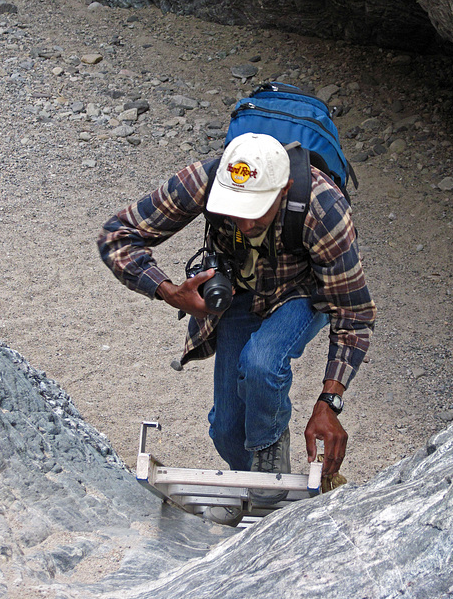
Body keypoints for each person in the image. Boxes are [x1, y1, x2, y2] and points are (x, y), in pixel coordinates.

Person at [97, 132, 376, 525]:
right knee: (226, 431)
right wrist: (167, 290)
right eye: (234, 209)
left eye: (255, 211)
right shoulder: (206, 180)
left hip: (301, 291)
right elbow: (116, 236)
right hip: (240, 293)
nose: (244, 222)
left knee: (262, 363)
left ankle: (267, 474)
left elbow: (354, 314)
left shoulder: (323, 208)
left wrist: (329, 401)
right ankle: (259, 493)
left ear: (284, 190)